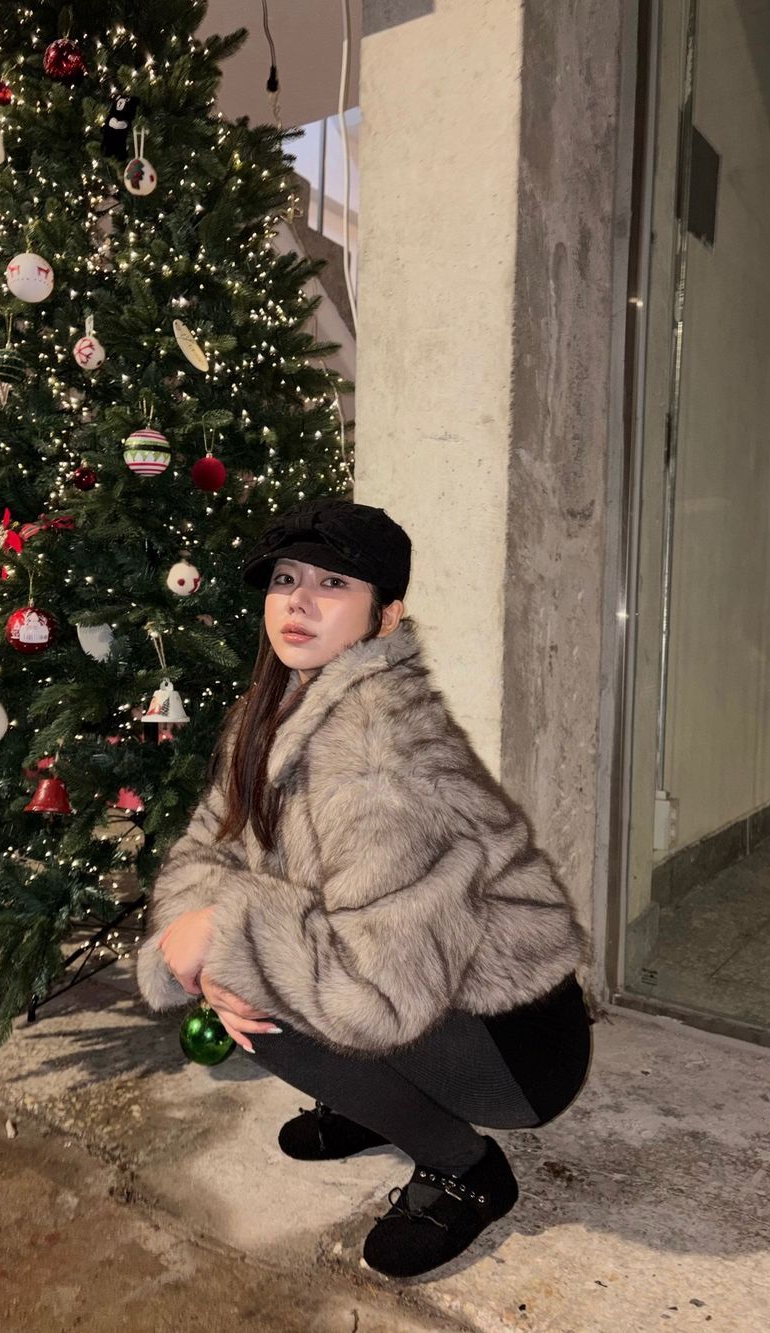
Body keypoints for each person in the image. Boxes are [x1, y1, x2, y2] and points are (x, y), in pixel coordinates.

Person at [137, 497, 591, 1279]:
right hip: (423, 992)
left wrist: (228, 937)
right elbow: (206, 845)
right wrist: (202, 932)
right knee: (241, 960)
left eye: (333, 583)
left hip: (512, 1042)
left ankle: (466, 1168)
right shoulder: (269, 710)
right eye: (285, 579)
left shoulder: (383, 752)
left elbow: (379, 992)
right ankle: (376, 1099)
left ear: (386, 616)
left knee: (261, 986)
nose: (299, 601)